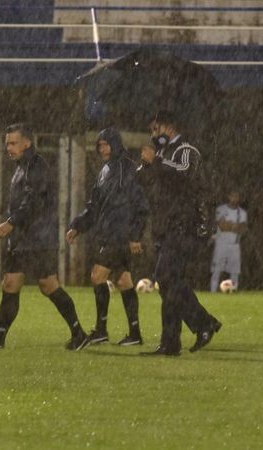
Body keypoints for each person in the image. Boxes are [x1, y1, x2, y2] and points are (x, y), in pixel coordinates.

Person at [0, 123, 89, 351]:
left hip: (38, 239)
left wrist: (11, 222)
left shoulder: (36, 166)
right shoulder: (22, 166)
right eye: (7, 144)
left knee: (48, 285)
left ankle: (79, 333)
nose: (9, 148)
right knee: (11, 284)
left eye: (13, 143)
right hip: (25, 239)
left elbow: (33, 201)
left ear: (27, 143)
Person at [137, 111, 221, 356]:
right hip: (166, 227)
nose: (153, 134)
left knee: (165, 277)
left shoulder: (186, 150)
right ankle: (172, 341)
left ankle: (202, 323)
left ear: (169, 127)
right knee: (169, 285)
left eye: (156, 129)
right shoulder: (161, 154)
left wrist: (158, 162)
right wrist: (146, 164)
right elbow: (143, 180)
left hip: (185, 226)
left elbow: (183, 175)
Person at [66, 127, 149, 346]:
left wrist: (134, 236)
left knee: (97, 277)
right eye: (100, 145)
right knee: (124, 281)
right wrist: (78, 226)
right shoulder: (105, 171)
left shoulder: (128, 169)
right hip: (109, 234)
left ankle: (101, 330)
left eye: (106, 144)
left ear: (116, 144)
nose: (103, 149)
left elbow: (141, 206)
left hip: (118, 236)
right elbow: (94, 207)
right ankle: (135, 334)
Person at [210, 189, 247, 292]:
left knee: (235, 271)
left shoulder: (242, 213)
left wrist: (230, 225)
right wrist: (234, 226)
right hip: (221, 244)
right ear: (228, 196)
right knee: (217, 270)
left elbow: (242, 229)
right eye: (233, 196)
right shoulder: (221, 209)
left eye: (237, 196)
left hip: (235, 245)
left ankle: (232, 291)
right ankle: (213, 292)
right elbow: (222, 226)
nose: (235, 199)